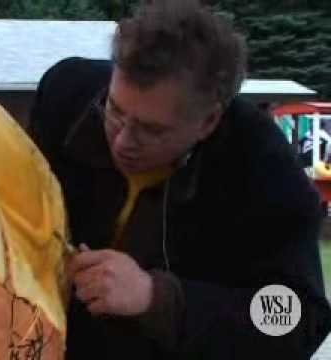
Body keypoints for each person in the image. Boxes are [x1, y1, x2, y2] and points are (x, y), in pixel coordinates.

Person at [28, 0, 331, 359]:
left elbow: (295, 320)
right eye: (115, 111)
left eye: (151, 130)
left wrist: (156, 298)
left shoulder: (264, 169)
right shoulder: (65, 97)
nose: (122, 142)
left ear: (208, 121)